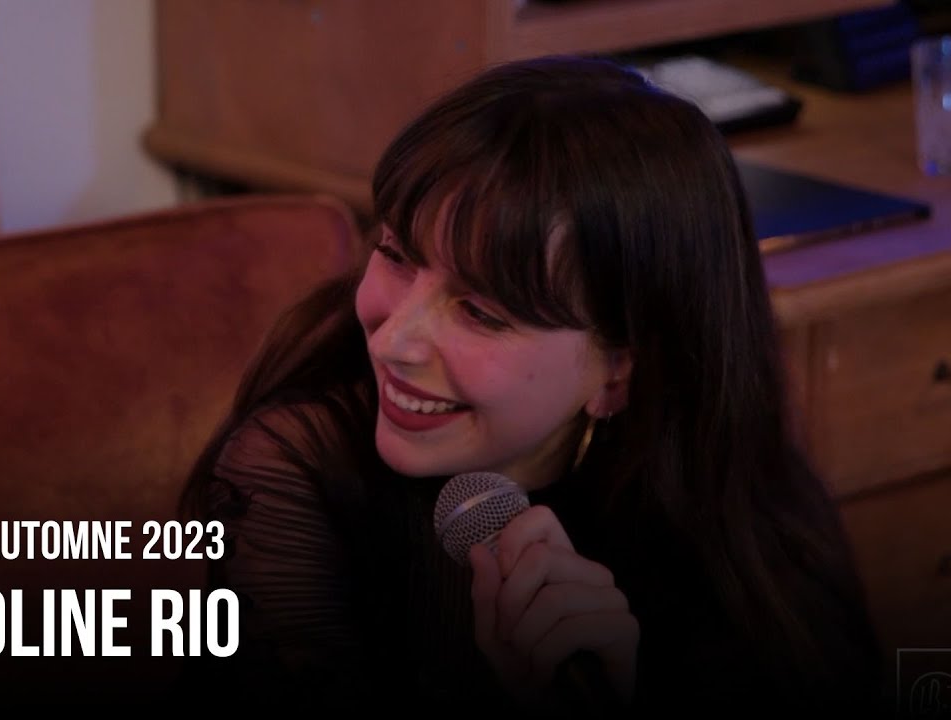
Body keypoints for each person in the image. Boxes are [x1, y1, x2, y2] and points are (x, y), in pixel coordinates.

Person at [176, 55, 883, 714]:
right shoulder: (293, 470)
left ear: (620, 371)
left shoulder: (729, 499)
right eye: (395, 254)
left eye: (480, 312)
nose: (391, 342)